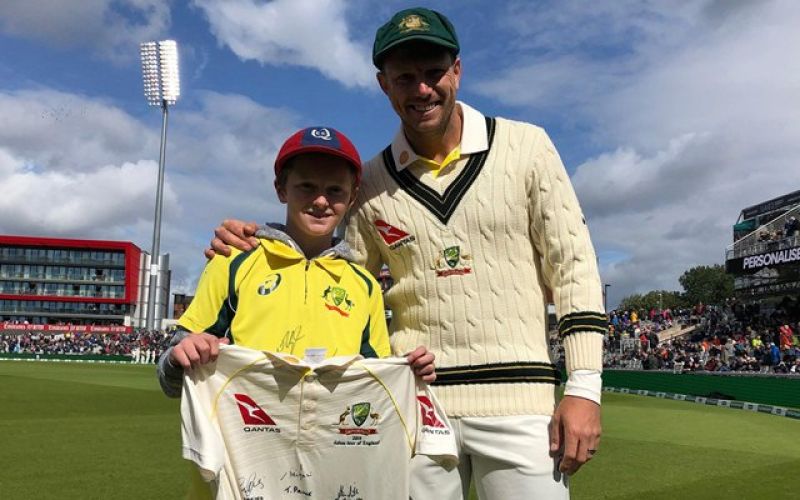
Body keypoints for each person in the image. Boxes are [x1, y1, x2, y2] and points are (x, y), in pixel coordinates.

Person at [207, 7, 604, 500]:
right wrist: (261, 241)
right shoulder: (368, 182)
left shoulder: (527, 147)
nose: (421, 89)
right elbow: (338, 276)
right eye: (405, 77)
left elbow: (574, 268)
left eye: (433, 72)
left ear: (457, 70)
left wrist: (584, 388)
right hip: (412, 405)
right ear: (384, 85)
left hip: (521, 404)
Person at [157, 126, 436, 398]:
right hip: (246, 440)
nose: (321, 200)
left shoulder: (364, 286)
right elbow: (170, 377)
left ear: (352, 197)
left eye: (335, 190)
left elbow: (376, 384)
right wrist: (181, 358)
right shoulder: (233, 260)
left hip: (330, 442)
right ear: (281, 189)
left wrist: (405, 373)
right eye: (306, 187)